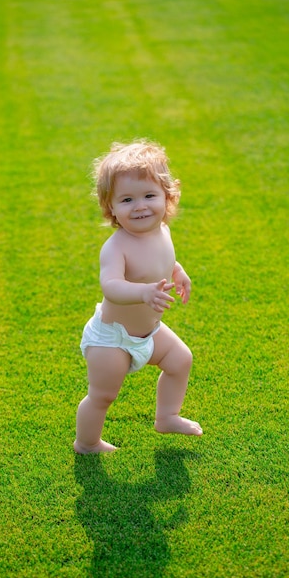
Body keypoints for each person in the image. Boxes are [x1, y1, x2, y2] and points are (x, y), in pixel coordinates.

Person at [74, 140, 203, 454]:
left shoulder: (162, 232)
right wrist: (143, 292)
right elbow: (111, 286)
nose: (140, 206)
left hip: (149, 331)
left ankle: (167, 416)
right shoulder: (116, 247)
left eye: (149, 196)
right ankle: (87, 443)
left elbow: (162, 260)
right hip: (112, 338)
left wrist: (178, 272)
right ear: (112, 208)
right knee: (103, 395)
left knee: (180, 360)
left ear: (167, 197)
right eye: (127, 199)